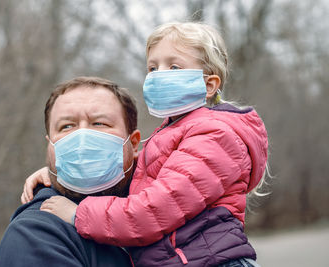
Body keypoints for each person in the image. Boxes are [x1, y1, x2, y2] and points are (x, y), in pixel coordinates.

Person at [23, 22, 268, 266]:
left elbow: (153, 210)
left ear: (209, 85)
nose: (158, 75)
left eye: (173, 67)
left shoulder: (215, 135)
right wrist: (61, 170)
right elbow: (146, 172)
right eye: (153, 67)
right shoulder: (178, 130)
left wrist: (78, 214)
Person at [0, 77, 141, 267]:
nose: (82, 139)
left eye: (99, 123)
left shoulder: (165, 205)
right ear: (51, 146)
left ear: (134, 143)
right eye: (67, 126)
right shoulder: (37, 233)